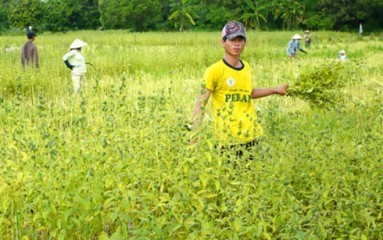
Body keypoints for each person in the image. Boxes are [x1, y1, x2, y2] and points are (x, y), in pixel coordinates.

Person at [191, 21, 288, 160]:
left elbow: (248, 93)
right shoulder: (213, 71)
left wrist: (275, 89)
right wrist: (194, 136)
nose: (237, 44)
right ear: (223, 42)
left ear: (245, 43)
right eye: (232, 40)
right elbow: (200, 105)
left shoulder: (246, 67)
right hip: (228, 140)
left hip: (252, 135)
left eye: (240, 40)